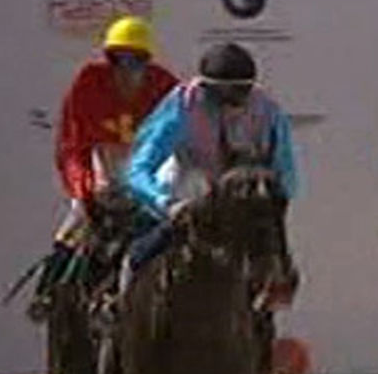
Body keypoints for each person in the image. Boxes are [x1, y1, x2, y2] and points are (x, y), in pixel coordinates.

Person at [27, 15, 178, 319]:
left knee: (176, 220)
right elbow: (72, 145)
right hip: (105, 164)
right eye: (118, 60)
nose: (127, 69)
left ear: (147, 62)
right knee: (77, 220)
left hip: (149, 169)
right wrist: (82, 189)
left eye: (136, 61)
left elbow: (176, 144)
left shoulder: (166, 86)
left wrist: (159, 191)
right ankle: (47, 290)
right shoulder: (88, 83)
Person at [123, 41, 299, 278]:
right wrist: (164, 202)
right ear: (207, 88)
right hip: (187, 191)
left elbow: (286, 173)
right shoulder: (183, 106)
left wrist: (273, 201)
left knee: (271, 258)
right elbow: (138, 169)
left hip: (241, 203)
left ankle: (270, 296)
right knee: (141, 254)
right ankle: (125, 289)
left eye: (243, 91)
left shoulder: (267, 111)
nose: (236, 101)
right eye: (228, 93)